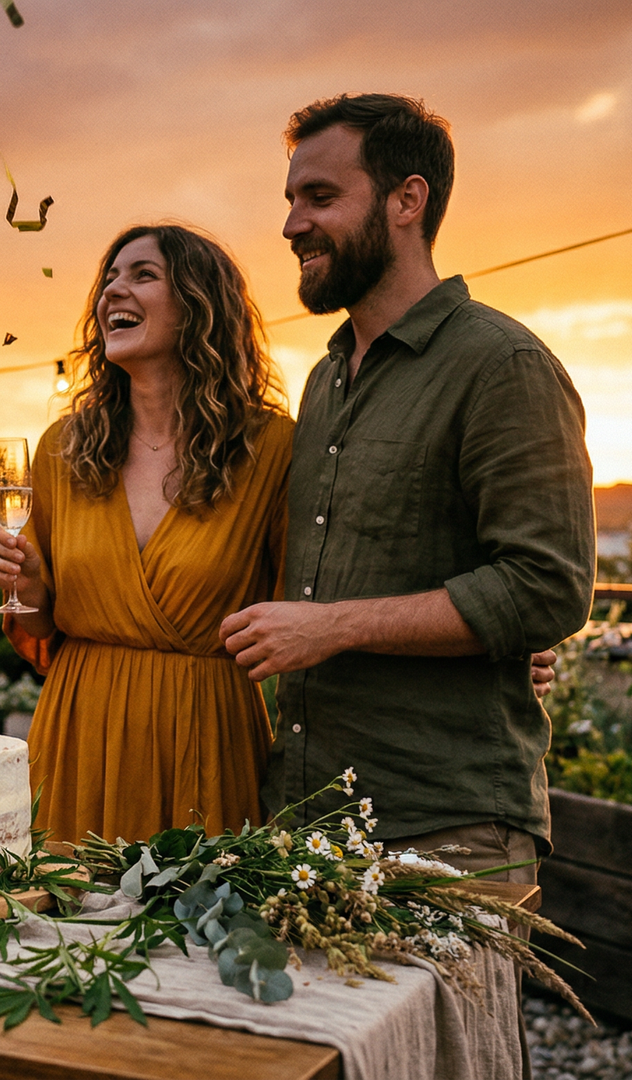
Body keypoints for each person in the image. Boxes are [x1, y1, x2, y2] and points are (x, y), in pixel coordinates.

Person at [220, 94, 596, 884]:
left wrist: (332, 628)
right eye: (290, 200)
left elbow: (546, 589)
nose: (292, 224)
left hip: (446, 833)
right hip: (309, 825)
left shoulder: (502, 366)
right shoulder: (323, 381)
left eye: (319, 197)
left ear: (406, 200)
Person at [0, 225, 295, 845]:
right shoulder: (62, 449)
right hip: (78, 730)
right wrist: (34, 585)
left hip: (207, 734)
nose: (112, 291)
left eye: (142, 275)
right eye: (109, 279)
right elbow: (41, 630)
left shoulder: (271, 448)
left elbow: (315, 598)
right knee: (64, 926)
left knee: (198, 934)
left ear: (200, 307)